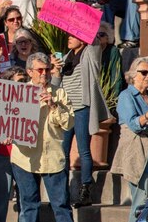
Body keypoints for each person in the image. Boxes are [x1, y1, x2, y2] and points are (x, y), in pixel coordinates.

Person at [11, 53, 74, 222]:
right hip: (25, 157)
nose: (44, 74)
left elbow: (68, 124)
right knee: (29, 206)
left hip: (52, 156)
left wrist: (54, 106)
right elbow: (9, 121)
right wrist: (6, 134)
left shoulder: (59, 93)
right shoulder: (18, 93)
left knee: (61, 206)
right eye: (40, 70)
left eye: (47, 69)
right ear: (30, 71)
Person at [51, 34, 110, 208]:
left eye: (73, 36)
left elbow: (97, 47)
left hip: (82, 108)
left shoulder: (88, 53)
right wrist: (55, 71)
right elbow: (56, 86)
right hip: (65, 110)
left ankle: (86, 190)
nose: (68, 39)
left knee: (84, 150)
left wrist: (92, 36)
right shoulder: (66, 56)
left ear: (83, 39)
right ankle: (62, 190)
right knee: (63, 150)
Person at [111, 57, 148, 222]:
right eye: (144, 72)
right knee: (140, 201)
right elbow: (133, 124)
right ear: (133, 75)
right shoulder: (126, 96)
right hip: (137, 152)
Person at [0, 67, 30, 222]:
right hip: (4, 155)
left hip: (26, 154)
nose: (24, 83)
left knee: (26, 199)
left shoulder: (32, 100)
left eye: (25, 80)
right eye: (20, 80)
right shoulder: (0, 101)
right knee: (0, 198)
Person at [97, 22, 125, 101]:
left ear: (107, 37)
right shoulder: (90, 50)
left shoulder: (113, 51)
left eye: (101, 34)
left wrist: (114, 98)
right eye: (96, 34)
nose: (98, 37)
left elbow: (115, 75)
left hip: (107, 94)